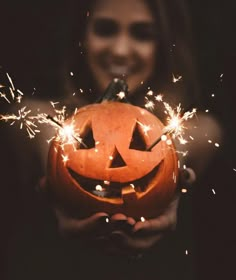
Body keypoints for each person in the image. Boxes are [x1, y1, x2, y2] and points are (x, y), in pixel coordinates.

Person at [2, 0, 222, 279]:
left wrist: (169, 170)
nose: (120, 51)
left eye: (142, 34)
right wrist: (58, 166)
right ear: (81, 37)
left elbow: (186, 143)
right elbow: (46, 136)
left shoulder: (199, 127)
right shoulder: (36, 116)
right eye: (105, 30)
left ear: (166, 45)